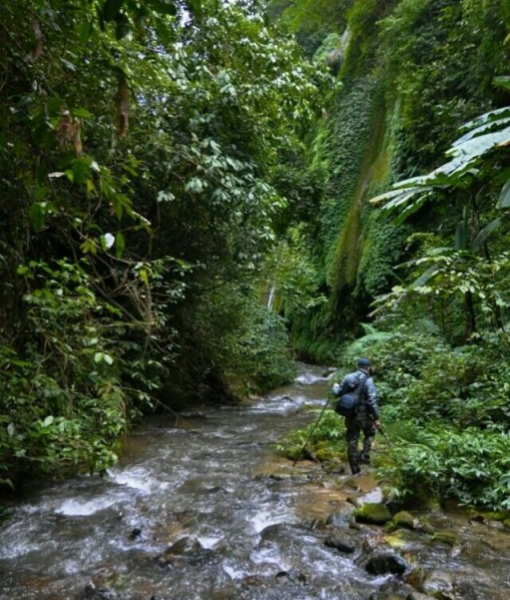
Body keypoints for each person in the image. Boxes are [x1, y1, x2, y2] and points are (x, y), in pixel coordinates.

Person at [336, 358, 381, 475]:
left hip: (350, 416)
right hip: (364, 415)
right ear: (369, 368)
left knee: (352, 440)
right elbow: (371, 401)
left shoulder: (348, 377)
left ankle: (355, 470)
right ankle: (365, 455)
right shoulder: (369, 381)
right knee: (370, 433)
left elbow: (337, 393)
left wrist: (334, 387)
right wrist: (376, 418)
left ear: (358, 366)